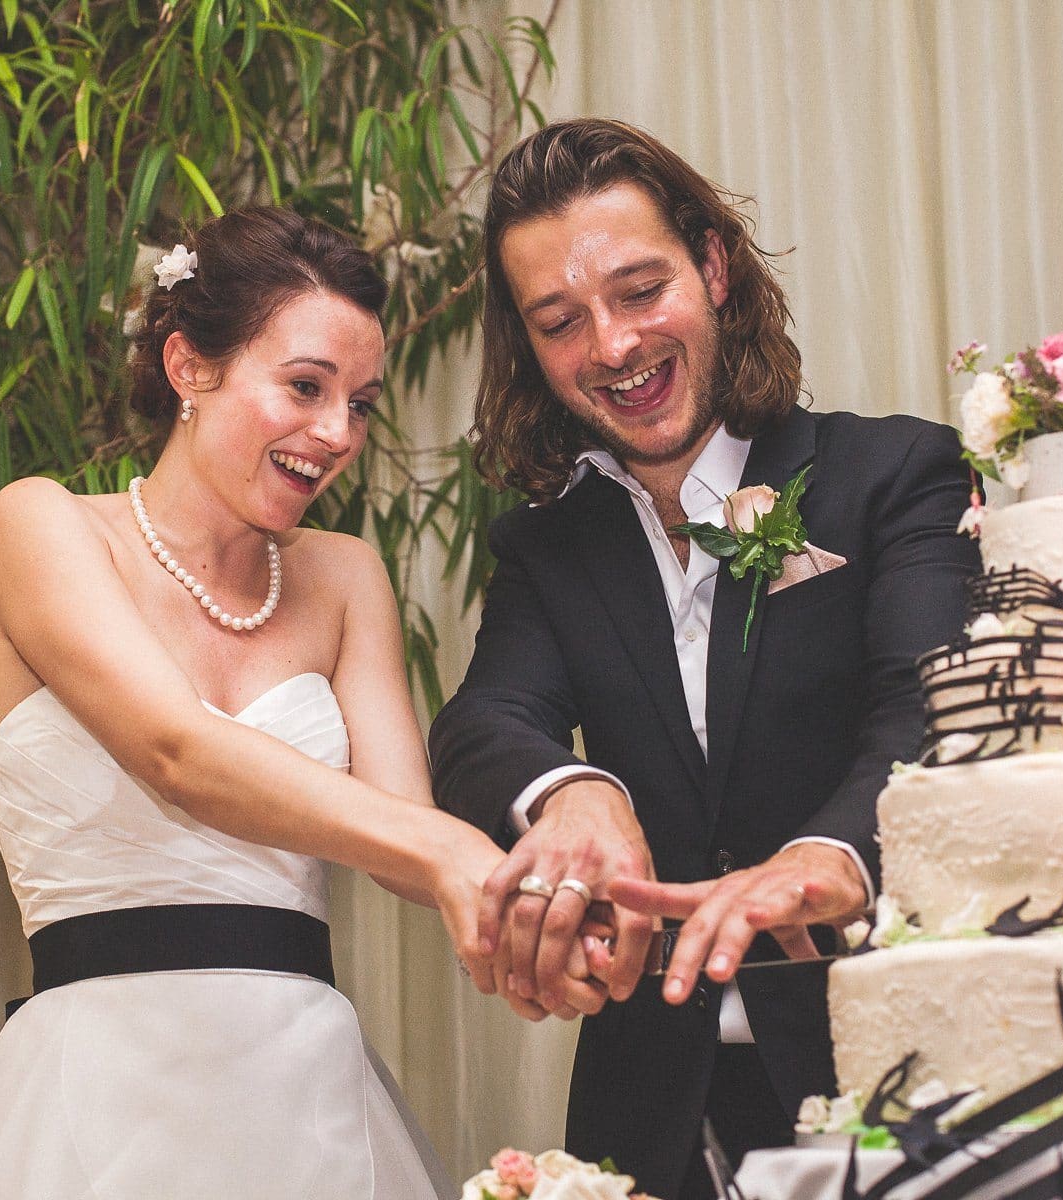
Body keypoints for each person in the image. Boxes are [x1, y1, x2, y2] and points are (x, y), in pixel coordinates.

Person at [0, 206, 592, 1199]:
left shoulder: (346, 578)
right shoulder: (42, 526)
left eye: (360, 403)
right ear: (188, 367)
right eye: (305, 387)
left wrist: (539, 905)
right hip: (90, 1098)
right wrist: (448, 858)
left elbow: (404, 836)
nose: (337, 433)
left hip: (305, 1109)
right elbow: (177, 753)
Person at [429, 119, 980, 1200]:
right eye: (561, 320)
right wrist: (574, 794)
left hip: (892, 1077)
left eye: (641, 291)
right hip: (649, 1116)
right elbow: (482, 725)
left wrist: (830, 857)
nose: (614, 346)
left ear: (714, 267)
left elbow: (934, 705)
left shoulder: (896, 473)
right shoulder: (546, 544)